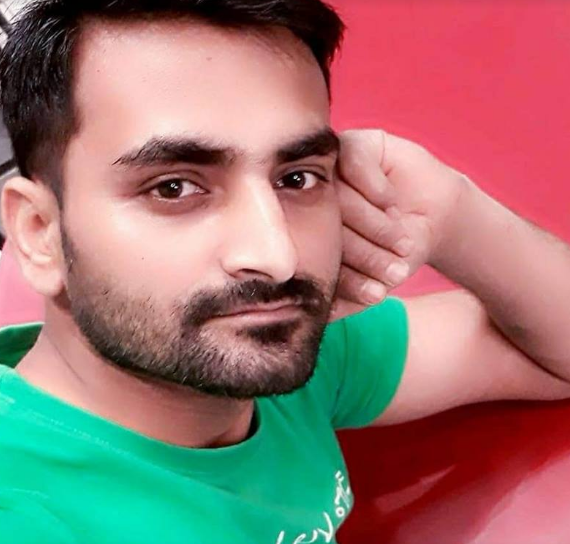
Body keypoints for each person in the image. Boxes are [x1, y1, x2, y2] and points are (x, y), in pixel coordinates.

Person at [0, 0, 569, 542]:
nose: (278, 257)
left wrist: (454, 214)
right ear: (39, 231)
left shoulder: (280, 345)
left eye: (297, 178)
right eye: (173, 188)